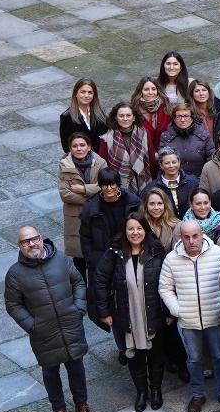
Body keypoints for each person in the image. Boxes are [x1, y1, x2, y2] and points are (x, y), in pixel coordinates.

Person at [5, 227, 92, 412]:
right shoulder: (15, 274)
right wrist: (32, 325)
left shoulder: (60, 259)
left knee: (76, 367)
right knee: (50, 371)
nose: (31, 244)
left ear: (41, 238)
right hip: (43, 332)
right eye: (25, 241)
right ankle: (59, 410)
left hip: (70, 324)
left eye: (34, 238)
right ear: (20, 246)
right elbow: (13, 305)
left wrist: (79, 308)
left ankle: (82, 405)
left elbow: (78, 282)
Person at [93, 216, 167, 412]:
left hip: (154, 313)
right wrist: (104, 311)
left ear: (145, 230)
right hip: (127, 315)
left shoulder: (156, 250)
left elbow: (169, 282)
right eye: (131, 229)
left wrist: (169, 312)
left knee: (156, 356)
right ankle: (141, 392)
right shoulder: (115, 253)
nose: (135, 233)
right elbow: (100, 279)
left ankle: (156, 390)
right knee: (135, 357)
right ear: (125, 232)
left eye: (139, 228)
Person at [159, 220, 220, 412]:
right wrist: (177, 310)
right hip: (188, 321)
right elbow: (165, 288)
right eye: (186, 237)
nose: (191, 241)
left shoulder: (218, 254)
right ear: (180, 237)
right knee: (194, 359)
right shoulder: (171, 259)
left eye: (195, 236)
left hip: (216, 317)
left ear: (202, 234)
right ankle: (198, 394)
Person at [81, 169, 138, 286]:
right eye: (105, 185)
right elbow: (85, 237)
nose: (109, 188)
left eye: (112, 184)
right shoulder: (91, 208)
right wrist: (92, 259)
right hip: (102, 257)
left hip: (128, 254)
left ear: (118, 184)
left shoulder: (132, 203)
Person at [58, 133, 102, 279]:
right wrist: (92, 195)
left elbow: (105, 187)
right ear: (70, 148)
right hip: (75, 217)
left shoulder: (100, 163)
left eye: (82, 145)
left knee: (97, 257)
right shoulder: (65, 166)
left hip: (96, 215)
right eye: (75, 146)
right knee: (79, 260)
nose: (79, 149)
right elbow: (65, 194)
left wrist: (83, 189)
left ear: (89, 147)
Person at [103, 103, 153, 196]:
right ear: (115, 118)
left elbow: (151, 159)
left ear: (134, 118)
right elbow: (104, 166)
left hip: (142, 179)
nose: (125, 119)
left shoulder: (144, 134)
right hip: (117, 184)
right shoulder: (106, 138)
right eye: (121, 116)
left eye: (128, 115)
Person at [160, 102, 214, 179]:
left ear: (192, 118)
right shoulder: (166, 137)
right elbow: (163, 162)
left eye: (186, 116)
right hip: (175, 180)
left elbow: (211, 160)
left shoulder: (204, 135)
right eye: (178, 116)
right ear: (174, 119)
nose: (182, 120)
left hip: (200, 179)